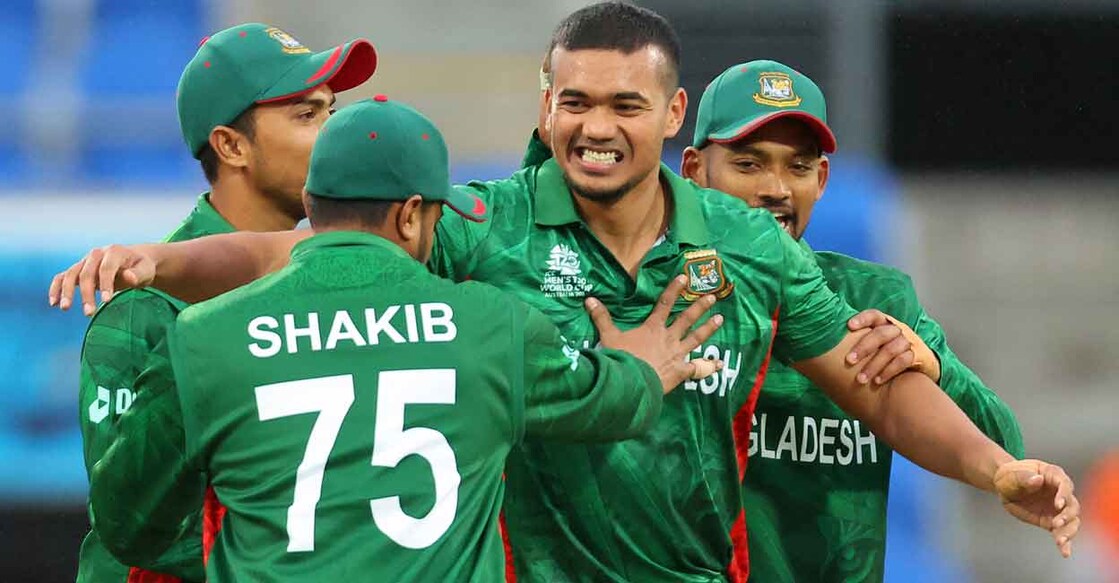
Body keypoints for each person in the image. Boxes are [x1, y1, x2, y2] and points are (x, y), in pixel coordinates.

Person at [53, 3, 1080, 581]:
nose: (597, 125)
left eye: (625, 104)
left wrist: (996, 470)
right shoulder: (484, 221)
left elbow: (870, 384)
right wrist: (159, 256)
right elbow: (303, 252)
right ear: (543, 108)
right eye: (574, 100)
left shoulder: (745, 243)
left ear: (673, 113)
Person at [90, 97, 726, 582]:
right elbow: (610, 401)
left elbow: (129, 526)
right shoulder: (490, 324)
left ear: (310, 203)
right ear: (409, 213)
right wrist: (645, 367)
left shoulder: (200, 336)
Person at [680, 59, 1032, 582]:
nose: (776, 188)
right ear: (694, 172)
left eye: (798, 167)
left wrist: (933, 365)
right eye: (749, 164)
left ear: (821, 180)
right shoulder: (658, 294)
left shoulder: (874, 298)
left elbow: (1004, 448)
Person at [75, 23, 377, 583]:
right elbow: (133, 517)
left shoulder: (335, 279)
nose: (336, 137)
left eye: (332, 113)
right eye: (307, 116)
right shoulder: (144, 307)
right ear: (231, 145)